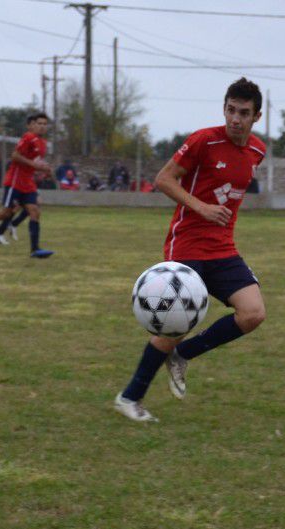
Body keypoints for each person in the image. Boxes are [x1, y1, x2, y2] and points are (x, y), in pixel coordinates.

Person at [114, 77, 267, 423]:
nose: (235, 119)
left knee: (253, 314)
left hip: (223, 248)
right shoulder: (203, 140)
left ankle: (184, 355)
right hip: (187, 243)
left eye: (243, 112)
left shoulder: (258, 149)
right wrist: (202, 208)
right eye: (230, 109)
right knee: (174, 324)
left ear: (256, 116)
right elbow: (163, 179)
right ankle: (129, 397)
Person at [0, 112, 54, 258]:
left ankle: (35, 250)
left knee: (35, 211)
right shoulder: (28, 137)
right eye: (40, 123)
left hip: (28, 182)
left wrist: (45, 170)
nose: (42, 126)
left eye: (45, 124)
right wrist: (35, 165)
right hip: (15, 181)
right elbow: (15, 156)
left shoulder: (43, 144)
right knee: (5, 213)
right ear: (34, 125)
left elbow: (34, 163)